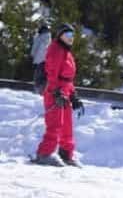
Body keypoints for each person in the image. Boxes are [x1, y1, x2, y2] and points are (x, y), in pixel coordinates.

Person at [32, 23, 84, 167]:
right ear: (60, 36)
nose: (71, 38)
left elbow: (68, 77)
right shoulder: (55, 50)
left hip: (65, 90)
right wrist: (55, 92)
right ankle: (44, 153)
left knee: (67, 124)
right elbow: (52, 73)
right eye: (67, 35)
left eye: (73, 35)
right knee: (55, 123)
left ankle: (66, 154)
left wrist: (73, 95)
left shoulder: (66, 51)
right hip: (54, 91)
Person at [30, 23, 51, 94]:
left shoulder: (40, 38)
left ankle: (38, 91)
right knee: (43, 77)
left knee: (38, 77)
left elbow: (35, 49)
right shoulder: (48, 38)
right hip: (45, 61)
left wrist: (32, 56)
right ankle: (42, 91)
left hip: (40, 60)